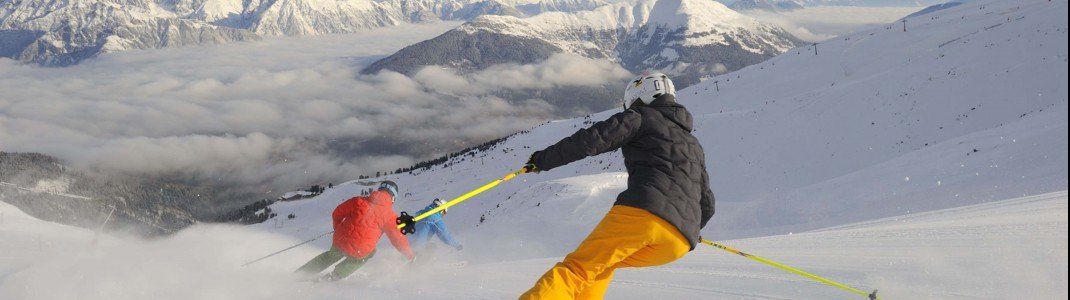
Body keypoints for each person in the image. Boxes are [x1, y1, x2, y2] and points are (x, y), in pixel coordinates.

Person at [519, 72, 715, 299]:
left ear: (639, 95)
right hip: (677, 243)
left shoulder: (641, 116)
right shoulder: (693, 143)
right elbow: (707, 203)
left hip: (644, 214)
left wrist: (541, 160)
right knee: (602, 265)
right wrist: (691, 226)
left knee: (576, 269)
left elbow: (591, 140)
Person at [295, 180, 415, 281]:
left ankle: (300, 275)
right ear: (393, 198)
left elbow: (337, 212)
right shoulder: (390, 216)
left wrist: (337, 226)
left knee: (329, 256)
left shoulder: (358, 201)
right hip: (360, 250)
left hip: (340, 240)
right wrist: (410, 255)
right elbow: (398, 240)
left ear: (379, 190)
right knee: (367, 255)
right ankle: (336, 275)